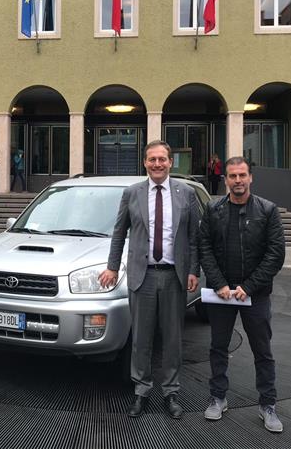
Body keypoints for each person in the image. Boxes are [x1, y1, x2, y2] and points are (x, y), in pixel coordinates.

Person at [99, 140, 200, 419]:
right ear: (145, 163)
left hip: (174, 277)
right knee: (141, 340)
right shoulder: (132, 193)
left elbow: (194, 238)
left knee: (172, 339)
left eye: (162, 159)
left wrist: (193, 270)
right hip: (141, 278)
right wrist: (111, 267)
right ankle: (141, 391)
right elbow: (119, 233)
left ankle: (170, 392)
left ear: (170, 162)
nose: (157, 164)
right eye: (152, 159)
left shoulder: (186, 193)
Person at [199, 156, 286, 433]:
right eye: (232, 176)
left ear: (250, 178)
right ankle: (218, 397)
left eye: (242, 175)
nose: (238, 180)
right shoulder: (213, 210)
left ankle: (268, 404)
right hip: (222, 295)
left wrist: (248, 286)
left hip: (255, 295)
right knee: (218, 347)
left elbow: (275, 254)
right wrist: (220, 283)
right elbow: (205, 249)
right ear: (225, 179)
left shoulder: (268, 210)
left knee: (263, 350)